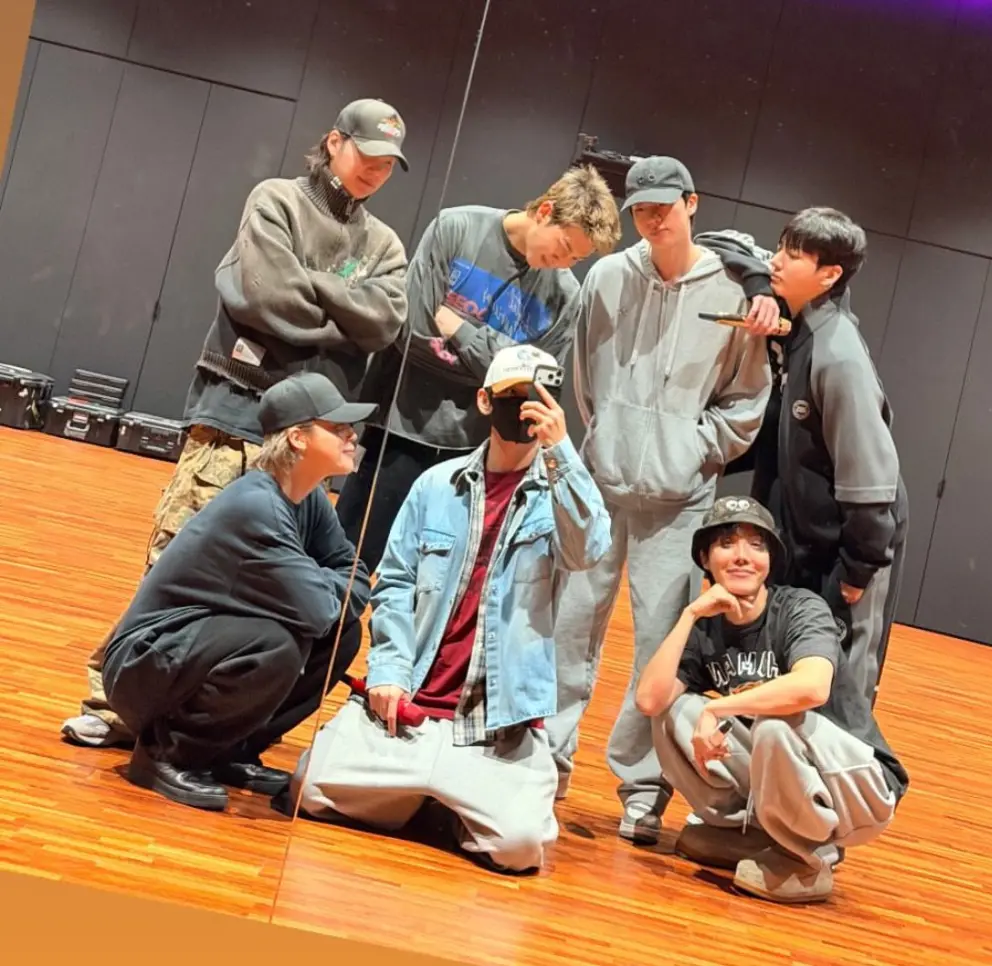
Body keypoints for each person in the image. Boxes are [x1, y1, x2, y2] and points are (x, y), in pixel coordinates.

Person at [61, 98, 412, 749]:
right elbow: (267, 300)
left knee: (273, 585)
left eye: (388, 164)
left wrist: (310, 291)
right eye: (367, 154)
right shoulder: (276, 200)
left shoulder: (384, 244)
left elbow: (385, 323)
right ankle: (115, 705)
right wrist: (344, 313)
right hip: (235, 414)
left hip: (311, 440)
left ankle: (199, 725)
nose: (375, 170)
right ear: (334, 142)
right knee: (178, 560)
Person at [291, 345, 612, 875]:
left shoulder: (560, 493)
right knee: (311, 787)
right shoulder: (436, 486)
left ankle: (431, 791)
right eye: (515, 396)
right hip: (415, 704)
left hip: (494, 725)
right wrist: (389, 672)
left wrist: (562, 453)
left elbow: (589, 549)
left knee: (518, 848)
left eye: (540, 397)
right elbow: (395, 581)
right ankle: (436, 795)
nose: (527, 408)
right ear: (485, 401)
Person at [546, 155, 773, 846]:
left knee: (661, 648)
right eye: (640, 209)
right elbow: (585, 379)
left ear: (691, 203)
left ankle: (643, 792)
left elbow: (746, 398)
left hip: (680, 501)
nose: (651, 220)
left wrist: (691, 447)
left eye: (663, 207)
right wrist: (609, 439)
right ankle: (543, 765)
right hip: (600, 487)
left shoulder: (733, 290)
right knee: (568, 629)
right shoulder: (607, 277)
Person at [100, 373, 376, 812]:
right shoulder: (257, 507)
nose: (352, 436)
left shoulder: (308, 498)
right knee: (278, 643)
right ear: (298, 438)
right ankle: (166, 753)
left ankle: (230, 749)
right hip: (140, 666)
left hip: (191, 649)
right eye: (338, 427)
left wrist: (320, 583)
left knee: (343, 634)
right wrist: (321, 583)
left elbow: (352, 570)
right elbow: (324, 606)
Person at [336, 165, 621, 576]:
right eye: (563, 247)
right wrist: (499, 363)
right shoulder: (456, 229)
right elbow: (412, 333)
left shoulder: (565, 294)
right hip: (400, 431)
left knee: (435, 582)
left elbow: (530, 383)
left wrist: (458, 328)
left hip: (475, 455)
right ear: (544, 212)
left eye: (576, 258)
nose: (563, 263)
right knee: (350, 565)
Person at [634, 495, 909, 904]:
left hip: (859, 786)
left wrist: (718, 707)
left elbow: (811, 688)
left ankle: (808, 856)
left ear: (769, 561)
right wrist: (690, 615)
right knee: (673, 712)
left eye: (756, 545)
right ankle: (756, 835)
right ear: (705, 558)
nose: (742, 556)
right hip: (797, 770)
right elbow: (649, 700)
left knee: (776, 723)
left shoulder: (800, 609)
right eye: (727, 544)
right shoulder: (707, 628)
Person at [695, 210, 907, 712]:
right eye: (779, 247)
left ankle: (846, 765)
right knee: (790, 666)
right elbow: (714, 238)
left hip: (852, 547)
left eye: (793, 255)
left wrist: (857, 570)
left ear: (829, 275)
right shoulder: (799, 327)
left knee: (840, 684)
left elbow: (871, 485)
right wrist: (759, 288)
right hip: (803, 539)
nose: (776, 261)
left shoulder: (839, 355)